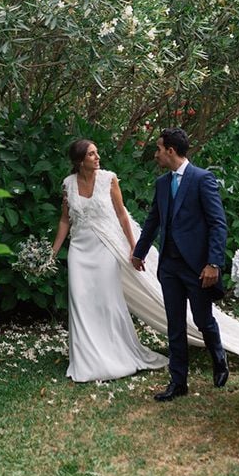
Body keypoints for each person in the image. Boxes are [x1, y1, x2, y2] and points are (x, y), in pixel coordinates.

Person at [52, 139, 168, 382]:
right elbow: (65, 220)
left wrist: (134, 247)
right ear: (79, 161)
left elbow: (121, 214)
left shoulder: (109, 179)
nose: (97, 157)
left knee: (106, 301)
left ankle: (115, 353)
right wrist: (53, 252)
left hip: (105, 248)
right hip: (79, 250)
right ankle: (86, 359)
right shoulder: (68, 185)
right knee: (80, 300)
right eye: (91, 154)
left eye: (97, 152)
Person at [132, 127, 230, 401]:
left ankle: (219, 358)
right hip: (169, 268)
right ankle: (178, 382)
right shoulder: (162, 184)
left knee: (202, 319)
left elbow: (217, 224)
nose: (156, 154)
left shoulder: (202, 179)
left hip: (198, 267)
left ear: (171, 151)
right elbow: (153, 220)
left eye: (158, 149)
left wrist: (213, 263)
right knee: (174, 323)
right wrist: (139, 253)